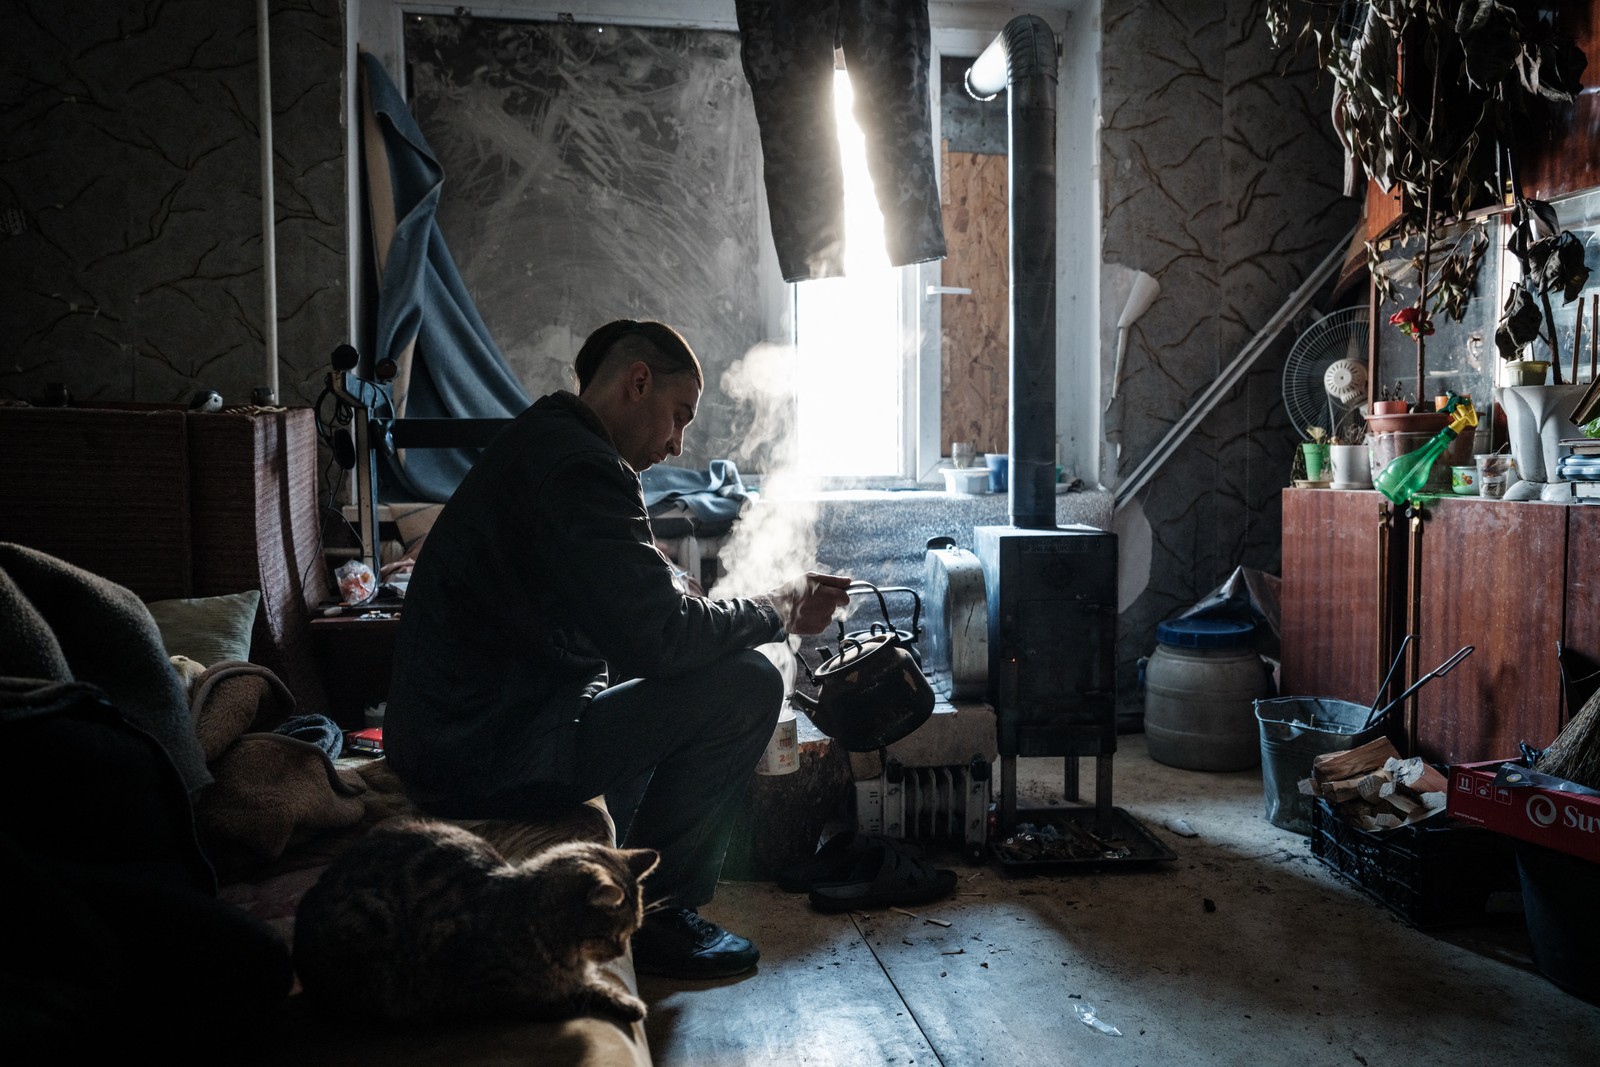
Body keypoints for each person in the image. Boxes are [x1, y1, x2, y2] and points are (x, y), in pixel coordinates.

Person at [384, 319, 852, 980]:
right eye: (678, 415)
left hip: (461, 737)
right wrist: (779, 606)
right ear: (638, 382)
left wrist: (662, 584)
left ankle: (641, 879)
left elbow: (603, 596)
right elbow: (664, 641)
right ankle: (657, 911)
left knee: (666, 669)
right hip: (488, 753)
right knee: (746, 683)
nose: (676, 441)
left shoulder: (543, 440)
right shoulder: (582, 465)